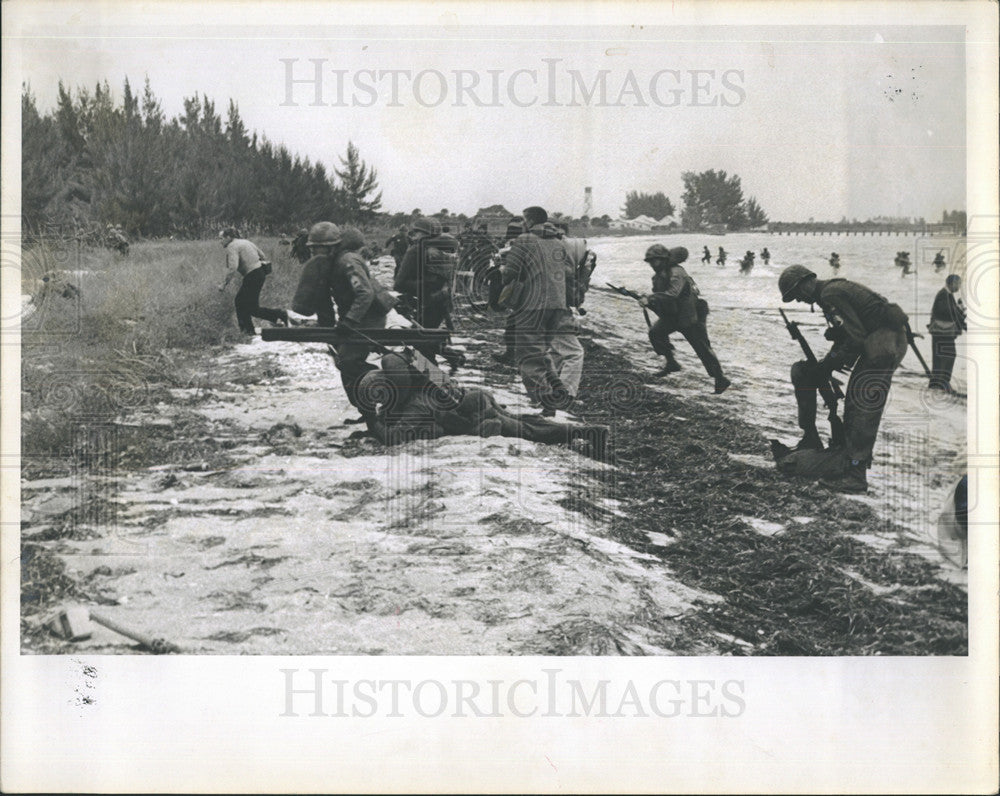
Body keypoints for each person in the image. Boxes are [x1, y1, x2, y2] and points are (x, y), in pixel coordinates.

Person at [779, 264, 909, 493]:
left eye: (797, 294)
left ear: (806, 283)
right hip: (879, 340)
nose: (798, 300)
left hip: (883, 344)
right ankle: (849, 463)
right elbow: (854, 329)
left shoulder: (831, 293)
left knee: (862, 406)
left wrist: (827, 365)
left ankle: (856, 476)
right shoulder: (828, 293)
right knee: (856, 403)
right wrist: (835, 344)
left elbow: (856, 339)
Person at [358, 352, 610, 461]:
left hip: (478, 415)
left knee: (529, 431)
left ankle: (587, 432)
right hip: (478, 398)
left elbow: (393, 438)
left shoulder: (417, 403)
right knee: (527, 421)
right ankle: (585, 432)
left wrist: (371, 418)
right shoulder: (426, 374)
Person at [290, 222, 397, 411]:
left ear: (331, 246)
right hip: (357, 318)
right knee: (345, 365)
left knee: (348, 362)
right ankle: (369, 414)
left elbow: (365, 293)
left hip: (369, 318)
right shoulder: (331, 263)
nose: (314, 252)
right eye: (312, 248)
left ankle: (395, 384)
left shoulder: (347, 261)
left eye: (318, 248)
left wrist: (349, 321)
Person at [499, 206, 578, 412]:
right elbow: (569, 271)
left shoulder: (523, 240)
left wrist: (503, 267)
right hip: (557, 305)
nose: (523, 224)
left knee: (528, 357)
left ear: (530, 221)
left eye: (524, 220)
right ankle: (558, 389)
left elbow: (510, 274)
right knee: (542, 352)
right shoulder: (559, 242)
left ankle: (547, 402)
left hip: (532, 306)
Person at [642, 244, 731, 394]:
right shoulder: (658, 276)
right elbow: (661, 297)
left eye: (654, 261)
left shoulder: (677, 272)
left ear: (663, 260)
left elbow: (672, 294)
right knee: (655, 333)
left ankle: (720, 378)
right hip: (673, 315)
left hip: (691, 316)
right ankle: (671, 363)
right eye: (650, 261)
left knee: (702, 347)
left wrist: (650, 298)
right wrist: (648, 300)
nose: (652, 264)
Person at [393, 216, 454, 360]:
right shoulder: (444, 251)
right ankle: (438, 372)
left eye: (416, 232)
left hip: (422, 304)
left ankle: (433, 380)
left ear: (420, 233)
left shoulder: (415, 250)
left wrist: (424, 285)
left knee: (421, 349)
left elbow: (399, 284)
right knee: (426, 345)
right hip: (441, 304)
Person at [218, 227, 287, 336]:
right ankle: (252, 328)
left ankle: (248, 330)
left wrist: (224, 284)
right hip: (259, 273)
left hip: (252, 275)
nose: (220, 241)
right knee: (249, 306)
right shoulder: (246, 242)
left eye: (221, 238)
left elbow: (233, 267)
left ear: (228, 237)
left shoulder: (231, 246)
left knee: (241, 302)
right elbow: (263, 255)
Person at [490, 219, 525, 365]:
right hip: (523, 287)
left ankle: (513, 355)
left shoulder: (518, 245)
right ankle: (513, 354)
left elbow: (510, 270)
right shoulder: (527, 243)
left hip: (520, 287)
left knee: (514, 324)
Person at [927, 274, 967, 392]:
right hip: (943, 333)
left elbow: (948, 312)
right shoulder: (944, 295)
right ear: (952, 283)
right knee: (948, 356)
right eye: (959, 284)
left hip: (941, 332)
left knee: (940, 357)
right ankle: (944, 384)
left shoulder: (946, 294)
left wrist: (959, 313)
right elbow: (946, 312)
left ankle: (936, 384)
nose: (959, 287)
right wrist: (960, 311)